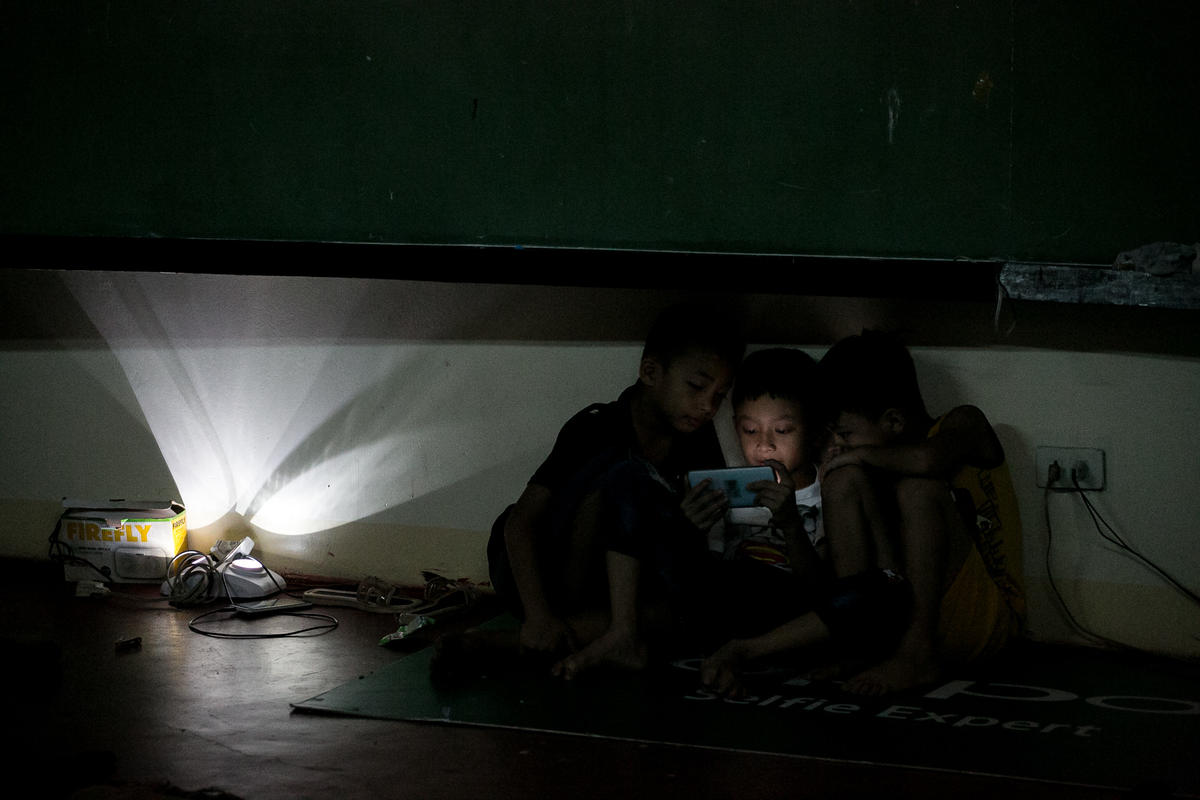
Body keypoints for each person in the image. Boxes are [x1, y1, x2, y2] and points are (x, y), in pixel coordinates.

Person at [700, 330, 1024, 697]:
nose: (839, 444)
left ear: (893, 422)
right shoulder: (865, 468)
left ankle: (917, 654)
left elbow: (926, 459)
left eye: (846, 433)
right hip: (900, 618)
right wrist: (845, 465)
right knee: (843, 481)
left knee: (917, 489)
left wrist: (856, 455)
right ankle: (857, 640)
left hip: (984, 622)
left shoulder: (962, 423)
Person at [482, 302, 745, 680]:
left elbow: (674, 549)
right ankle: (582, 631)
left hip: (618, 589)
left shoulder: (697, 442)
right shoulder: (597, 428)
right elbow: (520, 524)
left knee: (702, 606)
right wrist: (539, 616)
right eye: (697, 386)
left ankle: (520, 643)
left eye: (719, 396)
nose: (707, 406)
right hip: (554, 574)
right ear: (651, 372)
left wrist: (683, 526)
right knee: (625, 479)